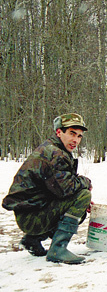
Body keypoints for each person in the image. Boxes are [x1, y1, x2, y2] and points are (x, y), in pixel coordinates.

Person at [2, 113, 93, 264]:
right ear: (59, 132)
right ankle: (58, 249)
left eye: (79, 136)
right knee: (83, 195)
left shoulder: (53, 149)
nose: (75, 140)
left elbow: (60, 188)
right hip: (31, 217)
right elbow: (66, 189)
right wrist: (86, 182)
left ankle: (32, 240)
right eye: (71, 133)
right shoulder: (55, 153)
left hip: (29, 213)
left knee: (80, 202)